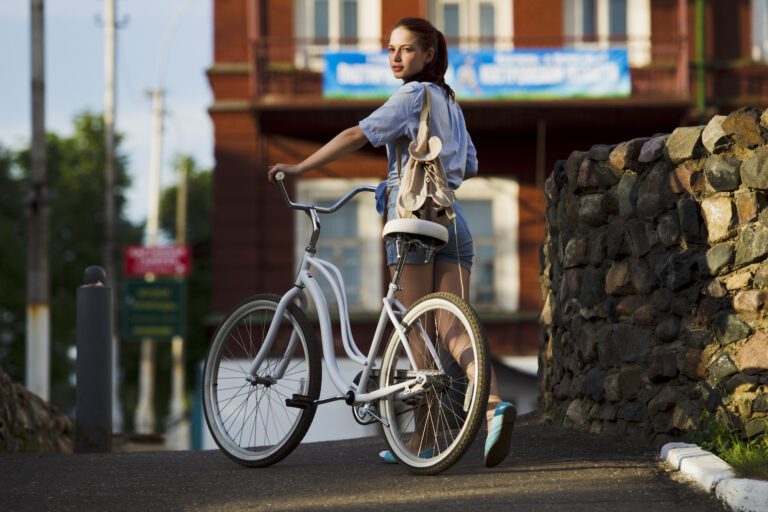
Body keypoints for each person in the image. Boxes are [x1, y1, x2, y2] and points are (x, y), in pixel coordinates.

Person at [267, 17, 516, 468]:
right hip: (453, 219)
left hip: (413, 218)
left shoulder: (412, 95)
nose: (395, 57)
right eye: (390, 49)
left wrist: (299, 168)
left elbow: (355, 135)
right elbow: (471, 164)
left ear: (428, 56)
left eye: (405, 49)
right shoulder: (451, 103)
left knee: (414, 328)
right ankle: (489, 407)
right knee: (452, 327)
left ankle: (429, 434)